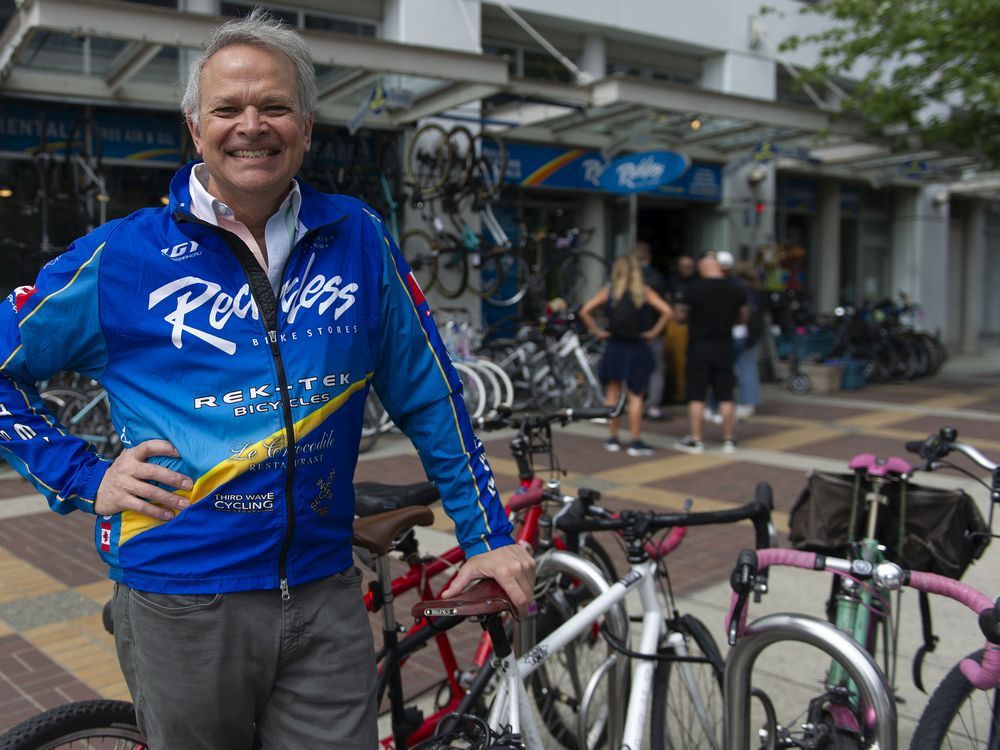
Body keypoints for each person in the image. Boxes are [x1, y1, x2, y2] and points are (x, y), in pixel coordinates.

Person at [0, 10, 533, 749]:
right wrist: (83, 477)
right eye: (228, 108)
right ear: (196, 127)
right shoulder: (120, 257)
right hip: (182, 600)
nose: (252, 125)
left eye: (274, 107)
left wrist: (487, 536)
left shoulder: (359, 238)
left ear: (306, 127)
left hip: (323, 593)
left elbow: (432, 396)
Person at [579, 252, 673, 457]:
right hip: (637, 346)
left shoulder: (610, 291)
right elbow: (668, 312)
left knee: (612, 394)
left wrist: (598, 332)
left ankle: (613, 438)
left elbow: (585, 311)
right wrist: (653, 332)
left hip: (614, 346)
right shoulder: (645, 292)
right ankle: (635, 440)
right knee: (635, 396)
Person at [672, 254, 748, 454]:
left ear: (703, 268)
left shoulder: (692, 290)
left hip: (699, 346)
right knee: (726, 394)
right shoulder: (736, 289)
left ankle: (697, 440)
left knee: (696, 394)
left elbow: (680, 316)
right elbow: (743, 317)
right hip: (724, 346)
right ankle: (729, 439)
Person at [633, 241, 668, 419]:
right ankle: (652, 405)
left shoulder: (628, 280)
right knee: (655, 370)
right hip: (651, 330)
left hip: (632, 333)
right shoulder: (656, 278)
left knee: (637, 370)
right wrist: (656, 331)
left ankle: (635, 403)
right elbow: (667, 311)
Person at [664, 254, 696, 404]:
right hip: (674, 325)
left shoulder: (697, 281)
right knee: (673, 360)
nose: (686, 269)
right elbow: (668, 299)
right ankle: (676, 392)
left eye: (689, 266)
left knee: (687, 362)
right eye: (684, 266)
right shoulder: (672, 280)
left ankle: (684, 393)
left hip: (692, 326)